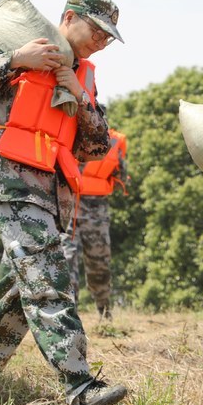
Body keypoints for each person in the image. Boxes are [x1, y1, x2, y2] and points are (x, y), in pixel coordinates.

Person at [0, 0, 128, 405]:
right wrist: (15, 60)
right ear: (69, 17)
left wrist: (79, 97)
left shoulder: (84, 77)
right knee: (48, 281)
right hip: (13, 183)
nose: (102, 40)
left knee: (15, 297)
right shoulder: (24, 48)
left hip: (53, 195)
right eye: (96, 29)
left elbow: (98, 148)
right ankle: (79, 383)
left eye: (108, 35)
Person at [61, 126, 126, 320]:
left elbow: (121, 176)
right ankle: (70, 314)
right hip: (68, 205)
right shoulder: (66, 134)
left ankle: (104, 311)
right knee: (67, 259)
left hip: (95, 209)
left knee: (98, 264)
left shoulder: (114, 142)